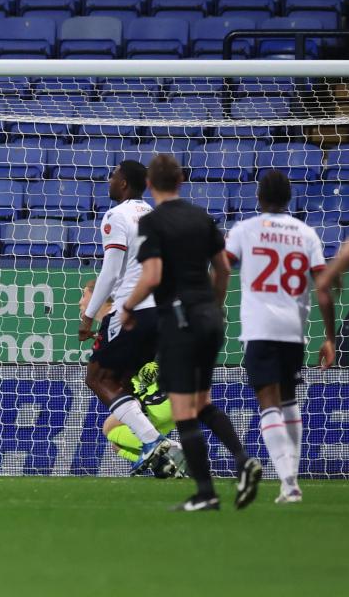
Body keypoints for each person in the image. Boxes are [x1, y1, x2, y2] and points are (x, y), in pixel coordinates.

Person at [120, 154, 261, 512]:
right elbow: (224, 268)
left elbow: (151, 276)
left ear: (150, 185)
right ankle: (242, 459)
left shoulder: (153, 223)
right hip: (210, 318)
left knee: (184, 409)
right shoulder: (201, 218)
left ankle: (206, 493)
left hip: (179, 319)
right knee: (201, 402)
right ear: (181, 181)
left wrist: (126, 307)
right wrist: (213, 303)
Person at [226, 170, 333, 504]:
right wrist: (330, 336)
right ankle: (292, 480)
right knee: (289, 401)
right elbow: (324, 287)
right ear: (290, 199)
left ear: (258, 197)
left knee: (268, 402)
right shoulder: (306, 233)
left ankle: (288, 483)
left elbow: (220, 267)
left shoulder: (245, 230)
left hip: (260, 328)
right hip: (294, 330)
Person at [77, 161, 171, 475]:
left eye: (113, 175)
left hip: (132, 309)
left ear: (125, 184)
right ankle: (165, 458)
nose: (109, 179)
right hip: (162, 311)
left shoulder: (117, 216)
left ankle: (152, 440)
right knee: (124, 381)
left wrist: (89, 316)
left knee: (97, 377)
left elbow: (111, 271)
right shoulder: (158, 216)